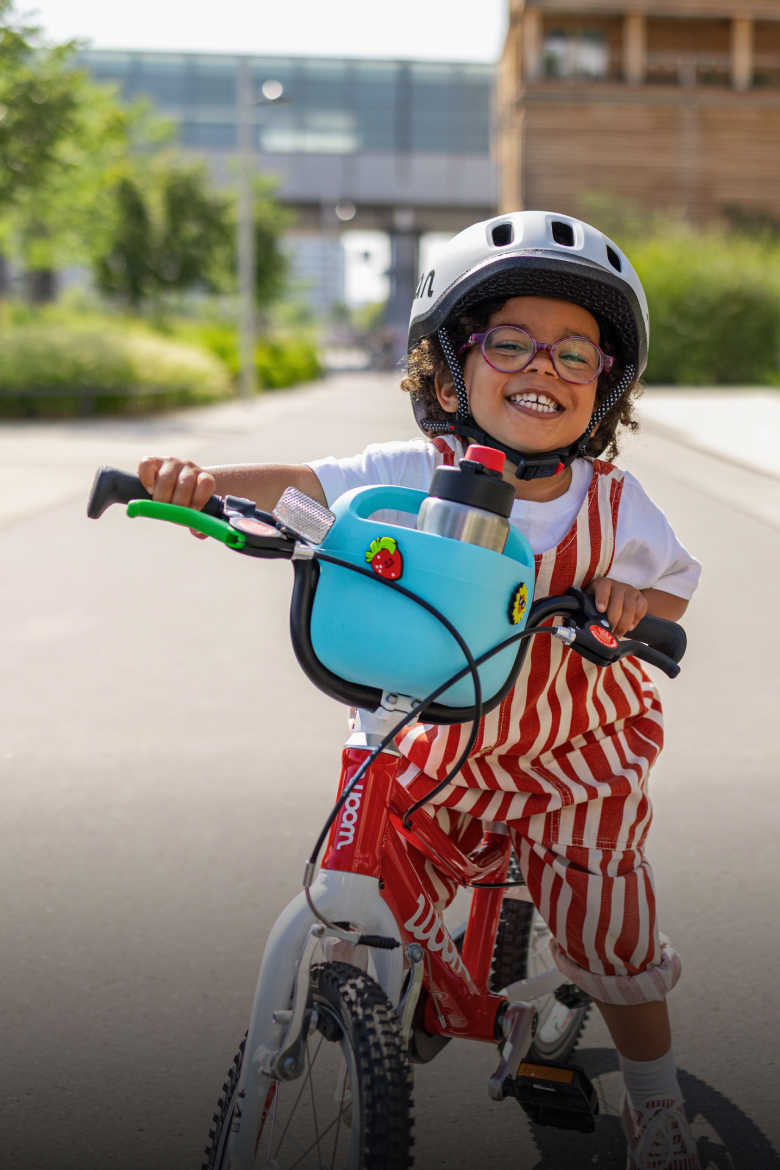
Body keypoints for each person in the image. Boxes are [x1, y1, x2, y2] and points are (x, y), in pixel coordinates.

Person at [137, 211, 701, 1170]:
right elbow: (305, 486)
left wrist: (624, 596)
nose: (544, 368)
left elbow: (672, 590)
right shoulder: (415, 474)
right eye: (511, 342)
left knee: (609, 932)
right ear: (449, 369)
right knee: (373, 867)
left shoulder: (616, 503)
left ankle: (656, 1104)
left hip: (576, 754)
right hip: (438, 740)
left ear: (605, 390)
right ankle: (376, 999)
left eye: (577, 354)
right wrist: (203, 487)